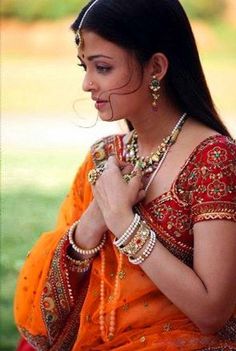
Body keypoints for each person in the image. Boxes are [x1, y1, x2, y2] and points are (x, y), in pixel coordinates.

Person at [14, 0, 236, 350]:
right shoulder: (104, 156)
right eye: (84, 66)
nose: (87, 84)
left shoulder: (212, 158)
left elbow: (212, 311)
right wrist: (94, 220)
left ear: (157, 67)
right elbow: (54, 306)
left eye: (102, 67)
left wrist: (123, 222)